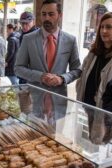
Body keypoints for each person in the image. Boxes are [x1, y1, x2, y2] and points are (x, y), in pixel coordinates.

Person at [14, 0, 81, 128]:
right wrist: (40, 76)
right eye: (43, 14)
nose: (46, 18)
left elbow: (77, 70)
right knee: (32, 136)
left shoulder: (70, 40)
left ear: (60, 16)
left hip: (59, 100)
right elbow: (18, 68)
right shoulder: (28, 39)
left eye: (51, 14)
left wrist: (62, 78)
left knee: (55, 139)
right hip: (34, 99)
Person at [76, 12, 112, 145]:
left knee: (101, 143)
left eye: (109, 27)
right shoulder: (94, 51)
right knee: (93, 141)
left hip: (108, 112)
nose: (103, 31)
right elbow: (82, 70)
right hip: (89, 105)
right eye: (101, 27)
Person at [18, 11, 39, 84]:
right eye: (22, 23)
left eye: (27, 23)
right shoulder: (22, 35)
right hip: (23, 71)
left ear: (33, 22)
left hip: (34, 73)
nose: (24, 26)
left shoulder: (38, 35)